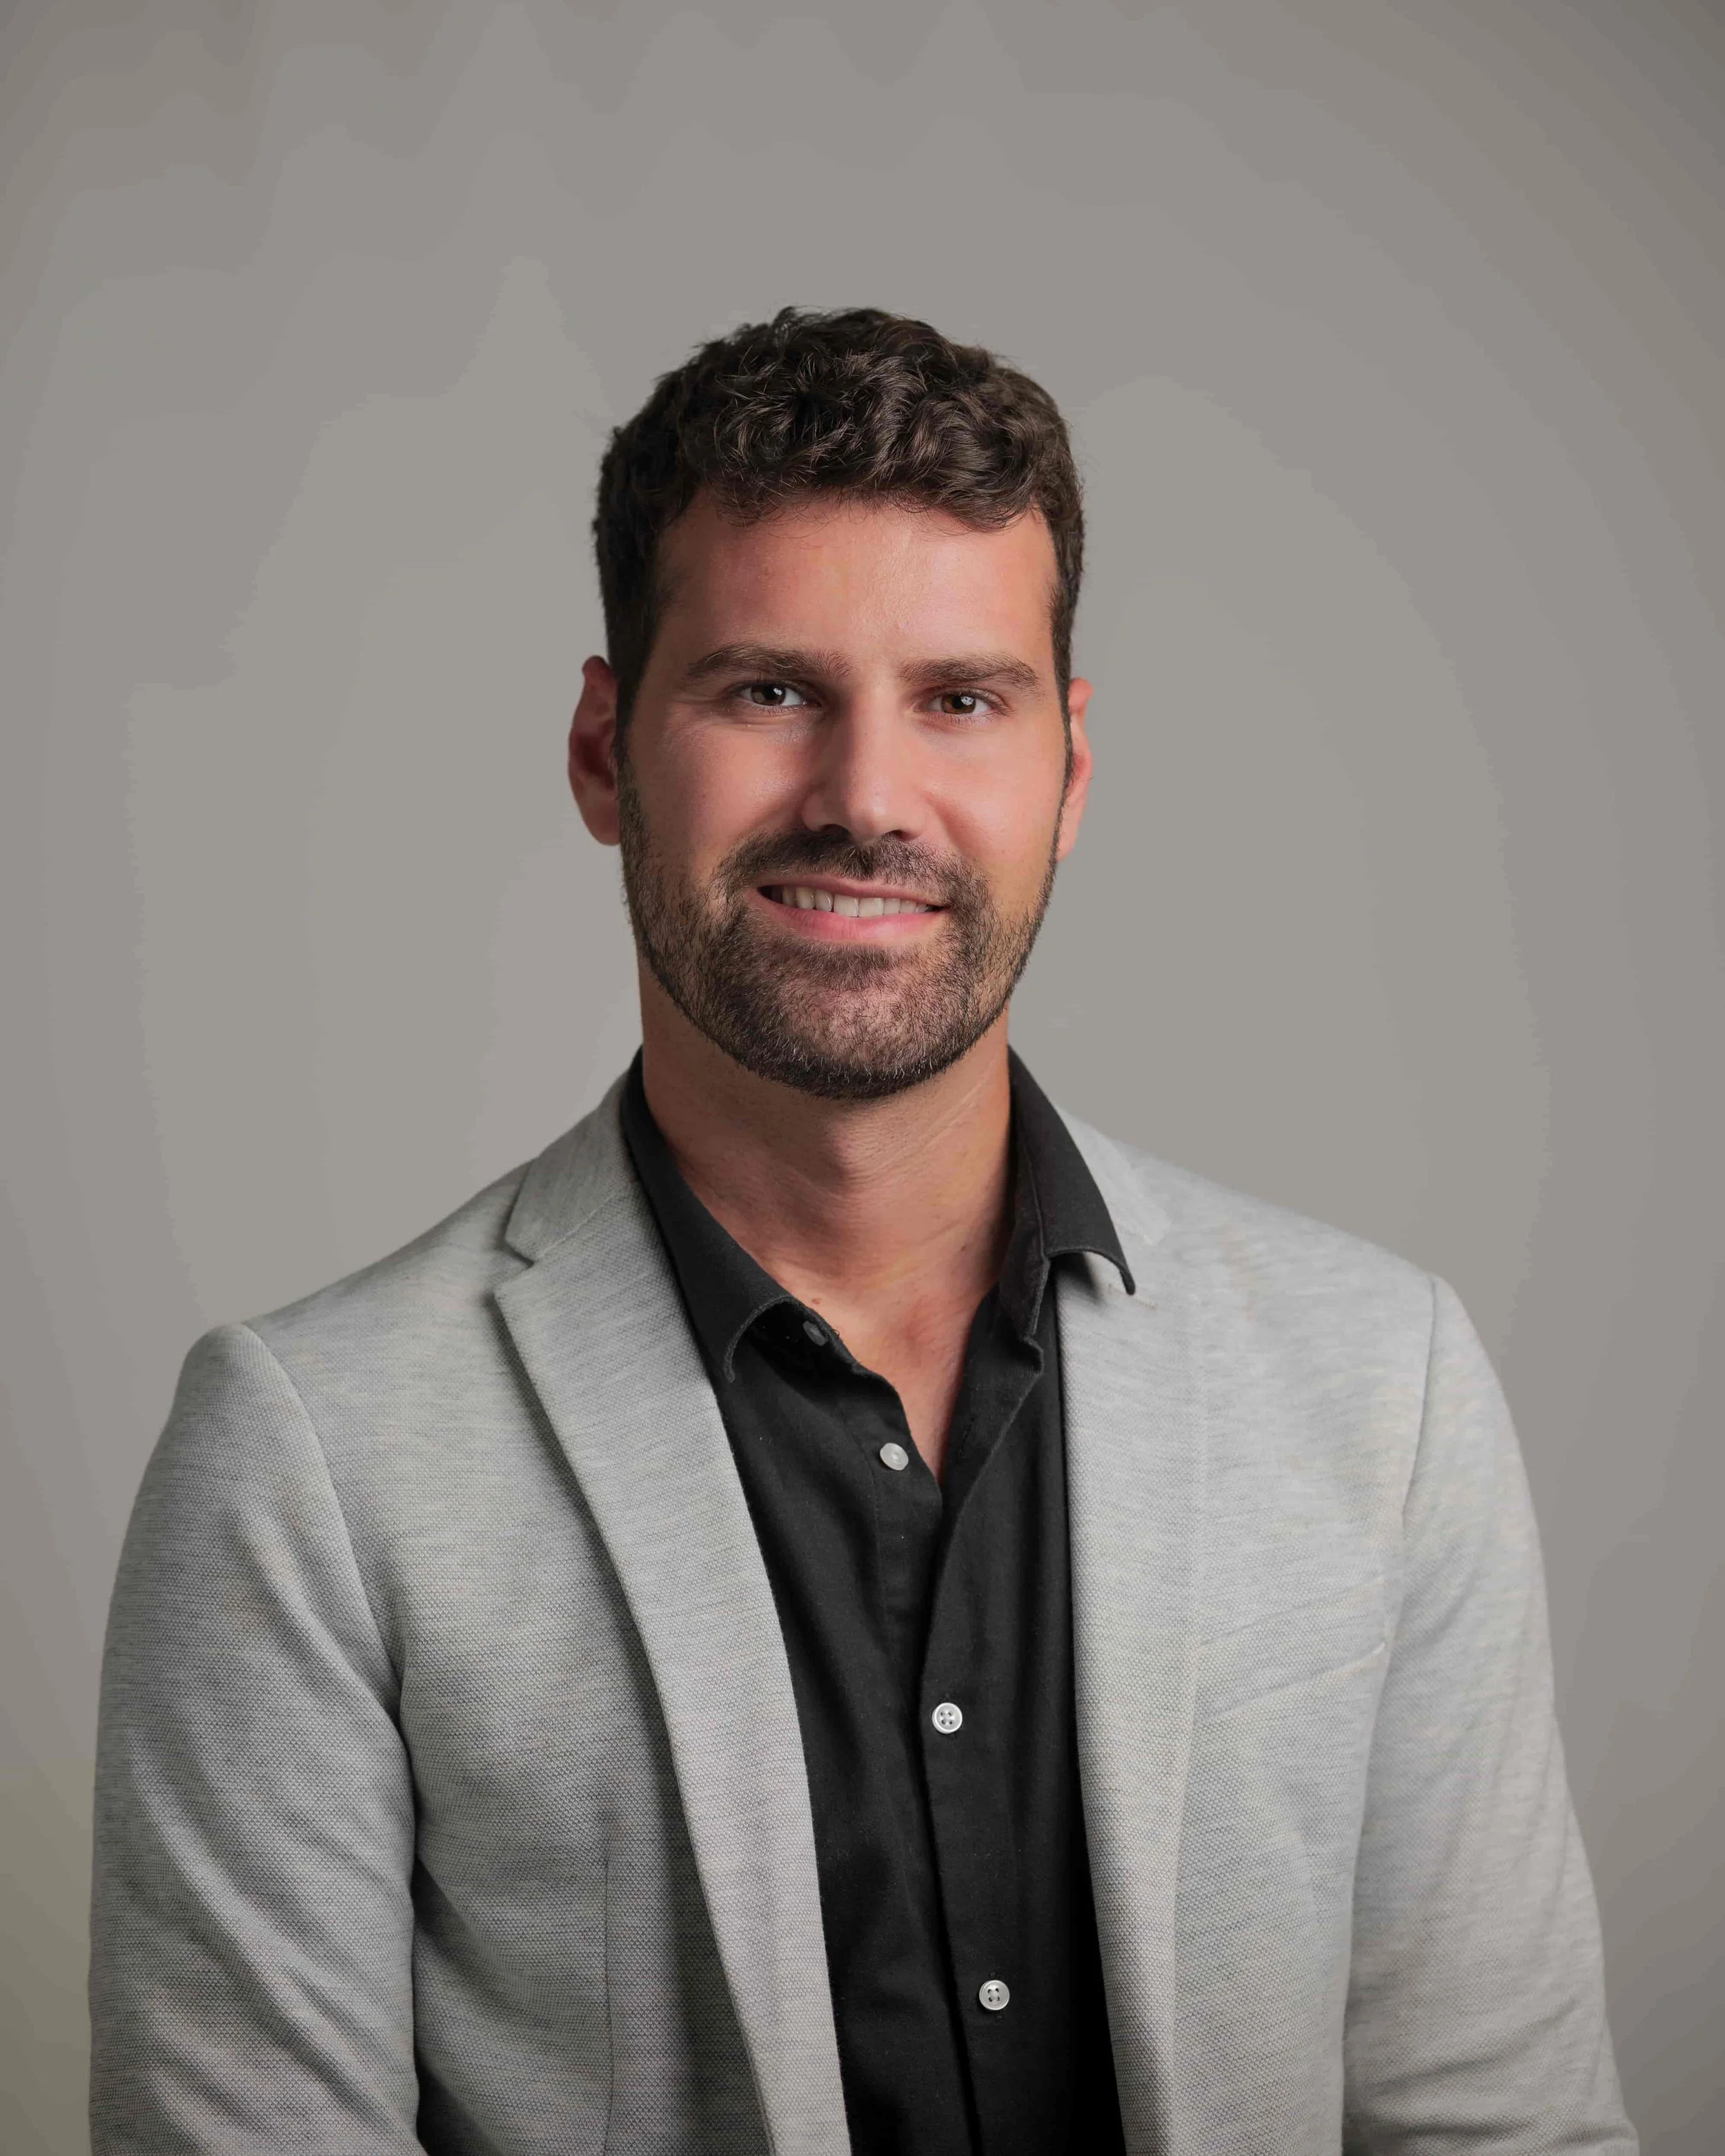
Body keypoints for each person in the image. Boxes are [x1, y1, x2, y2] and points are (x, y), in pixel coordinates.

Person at [89, 306, 1636, 2155]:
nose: (864, 799)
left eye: (959, 699)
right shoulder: (305, 1461)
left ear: (1066, 770)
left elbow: (1500, 2132)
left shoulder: (1382, 1390)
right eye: (765, 688)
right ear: (603, 751)